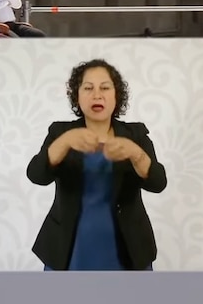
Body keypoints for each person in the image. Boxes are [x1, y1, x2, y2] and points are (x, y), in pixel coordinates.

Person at [26, 59, 167, 271]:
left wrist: (136, 154)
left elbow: (158, 183)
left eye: (105, 88)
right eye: (88, 88)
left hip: (128, 248)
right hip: (69, 248)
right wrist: (63, 143)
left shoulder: (135, 134)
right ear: (77, 96)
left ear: (116, 95)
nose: (97, 95)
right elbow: (37, 175)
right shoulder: (60, 132)